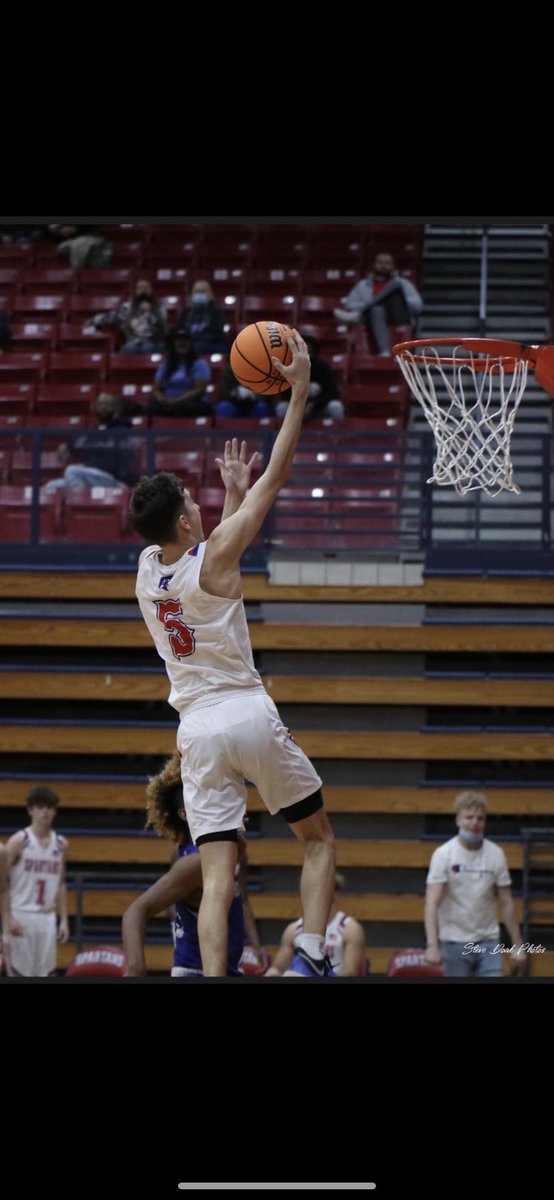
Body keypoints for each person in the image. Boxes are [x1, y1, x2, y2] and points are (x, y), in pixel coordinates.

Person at [129, 332, 336, 978]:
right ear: (187, 524)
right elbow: (277, 478)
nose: (198, 503)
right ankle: (311, 955)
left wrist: (228, 497)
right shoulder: (212, 556)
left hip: (196, 730)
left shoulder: (144, 569)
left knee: (216, 873)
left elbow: (205, 553)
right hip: (246, 710)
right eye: (192, 502)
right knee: (318, 839)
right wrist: (299, 391)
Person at [122, 753, 246, 976]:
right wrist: (135, 968)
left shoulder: (222, 851)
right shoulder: (197, 862)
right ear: (185, 814)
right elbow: (135, 911)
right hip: (196, 971)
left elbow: (240, 847)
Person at [424, 790, 528, 978]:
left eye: (480, 818)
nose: (474, 823)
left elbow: (507, 903)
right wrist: (432, 944)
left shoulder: (496, 854)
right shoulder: (443, 854)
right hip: (453, 941)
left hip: (488, 941)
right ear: (458, 820)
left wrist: (518, 945)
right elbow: (432, 903)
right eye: (468, 817)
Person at [5, 786, 69, 977]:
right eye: (40, 807)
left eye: (49, 808)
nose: (45, 812)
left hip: (47, 918)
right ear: (30, 810)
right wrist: (7, 918)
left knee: (46, 973)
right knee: (19, 973)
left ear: (55, 811)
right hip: (21, 915)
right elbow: (1, 883)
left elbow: (61, 884)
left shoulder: (61, 844)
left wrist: (64, 919)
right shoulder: (19, 841)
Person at [265, 873, 366, 977]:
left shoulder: (350, 929)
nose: (315, 894)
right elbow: (278, 968)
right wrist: (272, 973)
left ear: (334, 892)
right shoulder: (293, 929)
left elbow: (351, 973)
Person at [44, 393, 138, 491]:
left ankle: (80, 501)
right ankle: (83, 498)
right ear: (94, 407)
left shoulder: (122, 431)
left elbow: (127, 461)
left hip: (111, 478)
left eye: (107, 404)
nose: (103, 407)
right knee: (52, 486)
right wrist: (65, 448)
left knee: (72, 471)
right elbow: (68, 447)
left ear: (115, 408)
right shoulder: (90, 434)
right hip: (88, 477)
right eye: (100, 404)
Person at [334, 252, 423, 355]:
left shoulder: (403, 284)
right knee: (376, 309)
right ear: (374, 264)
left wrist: (400, 301)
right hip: (372, 318)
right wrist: (370, 305)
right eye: (380, 262)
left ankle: (357, 316)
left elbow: (417, 306)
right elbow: (350, 304)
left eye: (387, 263)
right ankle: (384, 351)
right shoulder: (363, 285)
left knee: (395, 289)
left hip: (397, 316)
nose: (383, 266)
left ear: (393, 266)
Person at [275, 334, 344, 422]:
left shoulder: (323, 367)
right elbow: (285, 394)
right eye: (302, 352)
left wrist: (313, 405)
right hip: (296, 404)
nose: (306, 355)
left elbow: (332, 393)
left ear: (315, 353)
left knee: (335, 407)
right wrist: (300, 404)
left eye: (309, 352)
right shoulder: (291, 368)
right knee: (282, 407)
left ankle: (337, 434)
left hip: (320, 405)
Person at [88, 279, 168, 354]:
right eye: (140, 288)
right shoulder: (127, 307)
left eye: (146, 288)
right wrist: (94, 320)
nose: (143, 291)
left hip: (153, 342)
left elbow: (163, 330)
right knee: (129, 348)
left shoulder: (159, 309)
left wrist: (150, 313)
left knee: (148, 348)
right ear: (136, 291)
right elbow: (112, 318)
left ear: (151, 291)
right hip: (133, 342)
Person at [145, 328, 212, 417]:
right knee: (150, 408)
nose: (182, 343)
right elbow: (157, 388)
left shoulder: (199, 364)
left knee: (183, 409)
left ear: (190, 344)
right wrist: (161, 398)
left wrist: (175, 401)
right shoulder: (166, 364)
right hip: (168, 400)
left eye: (185, 340)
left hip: (191, 401)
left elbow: (199, 390)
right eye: (178, 340)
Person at [177, 280, 228, 355]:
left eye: (203, 292)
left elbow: (218, 333)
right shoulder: (186, 312)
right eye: (197, 291)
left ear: (210, 294)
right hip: (190, 344)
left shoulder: (215, 311)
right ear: (192, 294)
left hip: (212, 344)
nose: (199, 294)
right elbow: (180, 330)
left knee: (196, 346)